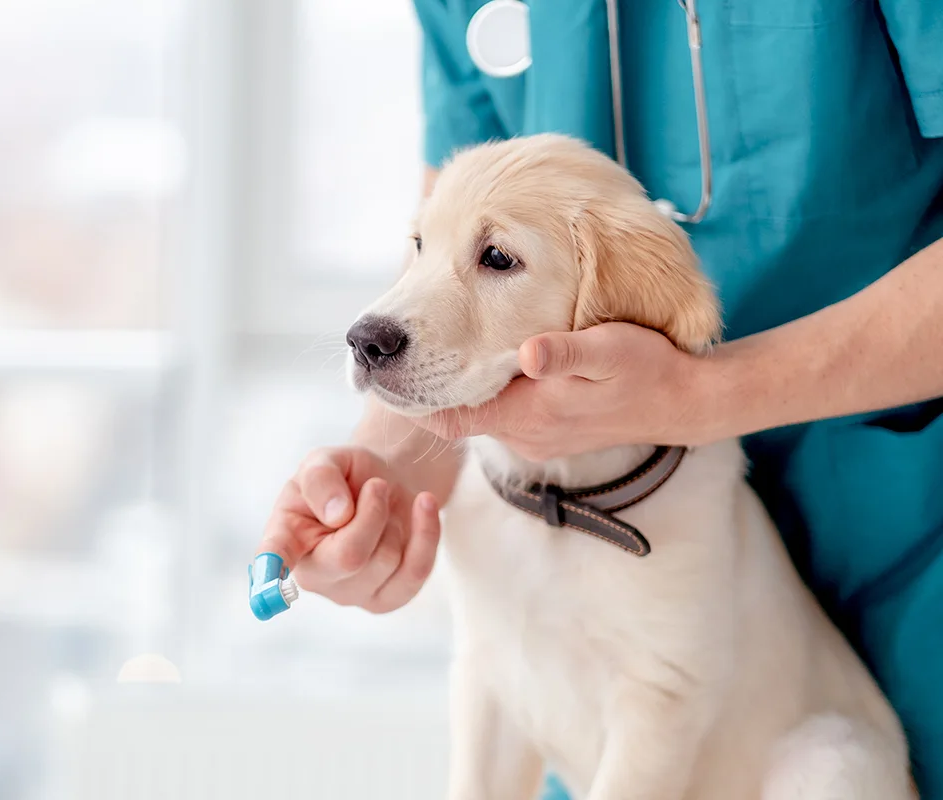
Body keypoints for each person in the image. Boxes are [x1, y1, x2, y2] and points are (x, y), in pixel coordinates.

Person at [258, 2, 943, 797]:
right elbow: (453, 211)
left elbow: (665, 696)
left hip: (902, 535)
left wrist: (697, 395)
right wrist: (389, 463)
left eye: (499, 258)